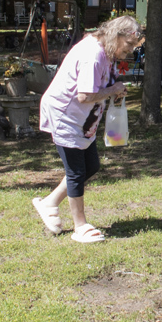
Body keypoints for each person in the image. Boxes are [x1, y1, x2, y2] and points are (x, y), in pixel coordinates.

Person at [34, 16, 141, 243]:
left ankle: (49, 203)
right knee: (76, 172)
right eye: (129, 45)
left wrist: (113, 87)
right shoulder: (93, 55)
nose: (130, 51)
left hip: (81, 119)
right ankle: (80, 227)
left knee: (90, 166)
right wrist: (112, 90)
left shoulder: (103, 49)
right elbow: (84, 96)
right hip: (65, 116)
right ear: (116, 35)